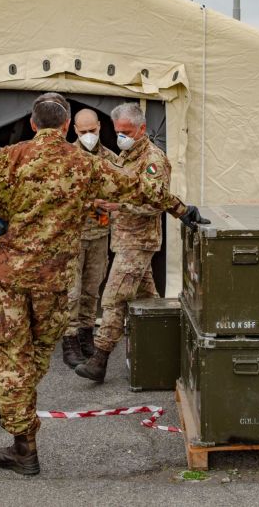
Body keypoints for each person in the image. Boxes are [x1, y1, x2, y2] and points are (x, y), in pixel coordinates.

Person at [0, 93, 206, 476]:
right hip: (54, 281)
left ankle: (10, 433)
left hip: (9, 275)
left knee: (11, 357)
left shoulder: (8, 156)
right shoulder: (86, 165)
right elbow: (141, 190)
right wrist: (183, 210)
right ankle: (15, 439)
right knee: (34, 357)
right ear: (67, 126)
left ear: (34, 125)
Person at [75, 102, 178, 383]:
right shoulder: (125, 156)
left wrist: (119, 206)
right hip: (123, 240)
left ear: (142, 129)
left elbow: (157, 205)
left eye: (127, 131)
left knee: (114, 297)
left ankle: (100, 358)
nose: (121, 136)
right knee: (147, 300)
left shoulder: (152, 160)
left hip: (139, 241)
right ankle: (164, 353)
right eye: (118, 131)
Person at [60, 108, 117, 368]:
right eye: (82, 132)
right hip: (72, 236)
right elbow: (59, 198)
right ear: (74, 130)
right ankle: (69, 339)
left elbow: (122, 191)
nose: (88, 136)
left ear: (100, 128)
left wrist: (112, 204)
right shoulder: (65, 157)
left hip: (99, 234)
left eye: (91, 131)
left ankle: (85, 334)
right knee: (71, 290)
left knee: (92, 289)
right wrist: (91, 202)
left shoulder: (111, 159)